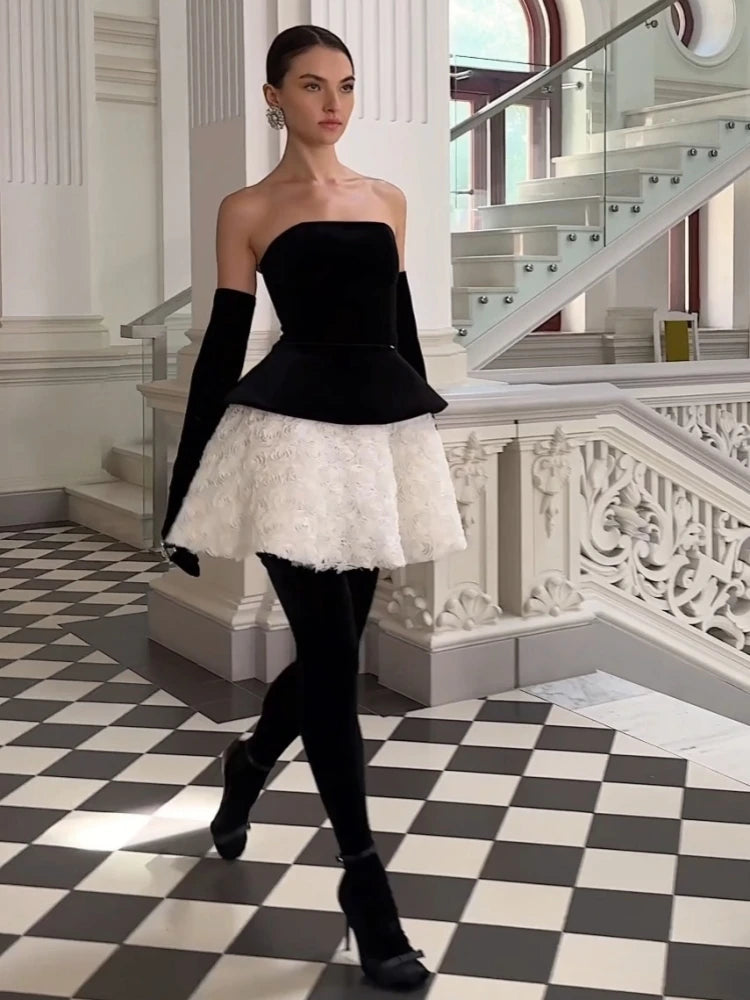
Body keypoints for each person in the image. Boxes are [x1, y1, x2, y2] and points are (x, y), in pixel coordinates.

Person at [161, 24, 466, 992]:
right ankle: (366, 889)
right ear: (272, 96)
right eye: (309, 85)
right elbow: (223, 344)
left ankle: (249, 761)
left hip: (375, 436)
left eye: (343, 84)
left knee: (334, 648)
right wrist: (185, 488)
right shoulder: (247, 208)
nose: (332, 102)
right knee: (333, 655)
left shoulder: (387, 199)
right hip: (288, 440)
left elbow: (402, 335)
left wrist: (418, 447)